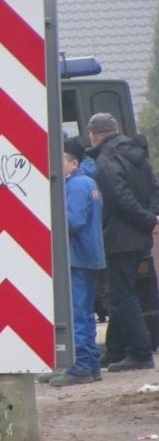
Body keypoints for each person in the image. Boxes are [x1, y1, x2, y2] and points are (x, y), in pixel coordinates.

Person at [87, 113, 158, 371]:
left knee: (122, 296)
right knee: (122, 291)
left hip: (119, 236)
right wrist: (151, 218)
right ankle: (115, 351)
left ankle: (140, 353)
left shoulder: (106, 160)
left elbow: (119, 198)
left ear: (95, 134)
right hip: (138, 237)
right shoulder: (137, 153)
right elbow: (154, 188)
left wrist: (146, 221)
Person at [45, 139, 106, 386]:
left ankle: (80, 365)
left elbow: (73, 221)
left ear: (73, 163)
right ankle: (90, 364)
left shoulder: (77, 185)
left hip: (77, 256)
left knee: (77, 313)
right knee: (84, 312)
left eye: (61, 160)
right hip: (89, 255)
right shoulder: (89, 183)